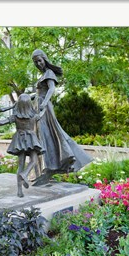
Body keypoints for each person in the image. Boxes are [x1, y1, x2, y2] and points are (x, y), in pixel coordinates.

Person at [31, 49, 92, 185]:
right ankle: (46, 170)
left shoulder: (49, 73)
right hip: (38, 107)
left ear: (44, 59)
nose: (38, 64)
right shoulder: (42, 76)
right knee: (42, 137)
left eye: (39, 61)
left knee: (48, 136)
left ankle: (50, 169)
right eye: (35, 62)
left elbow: (51, 89)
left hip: (44, 109)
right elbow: (39, 92)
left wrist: (44, 104)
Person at [0, 94, 45, 197]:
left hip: (20, 139)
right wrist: (44, 107)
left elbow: (2, 122)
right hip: (31, 139)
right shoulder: (34, 116)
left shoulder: (15, 116)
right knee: (34, 160)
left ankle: (19, 190)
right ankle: (25, 174)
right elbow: (43, 114)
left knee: (20, 165)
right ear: (29, 105)